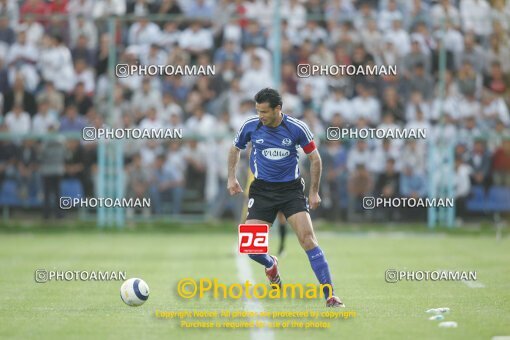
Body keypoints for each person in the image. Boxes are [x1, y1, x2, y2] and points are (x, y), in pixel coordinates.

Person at [227, 88, 344, 307]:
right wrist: (232, 178)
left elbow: (315, 159)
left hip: (291, 191)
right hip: (261, 191)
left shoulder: (297, 127)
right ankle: (271, 264)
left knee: (308, 240)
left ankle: (330, 295)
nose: (260, 115)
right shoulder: (250, 126)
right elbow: (235, 149)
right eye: (258, 111)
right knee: (252, 249)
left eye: (264, 111)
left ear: (278, 109)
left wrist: (314, 191)